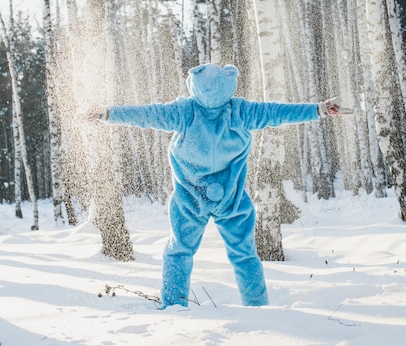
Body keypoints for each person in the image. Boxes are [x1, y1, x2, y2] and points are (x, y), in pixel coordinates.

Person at [87, 63, 353, 308]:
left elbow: (147, 115)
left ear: (194, 84)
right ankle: (259, 308)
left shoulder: (184, 112)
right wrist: (318, 109)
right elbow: (277, 112)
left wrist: (107, 113)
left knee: (178, 252)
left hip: (190, 198)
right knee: (245, 255)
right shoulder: (241, 112)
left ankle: (173, 306)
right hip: (231, 198)